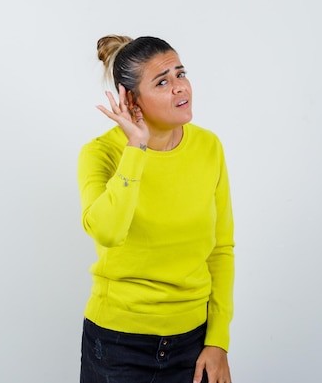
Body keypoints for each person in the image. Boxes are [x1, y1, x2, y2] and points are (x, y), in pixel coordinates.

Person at [77, 35, 235, 383]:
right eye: (163, 82)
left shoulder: (209, 147)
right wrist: (136, 147)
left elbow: (221, 249)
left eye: (181, 74)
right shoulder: (100, 154)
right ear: (130, 99)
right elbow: (108, 231)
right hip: (118, 344)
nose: (180, 88)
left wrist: (218, 341)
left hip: (194, 343)